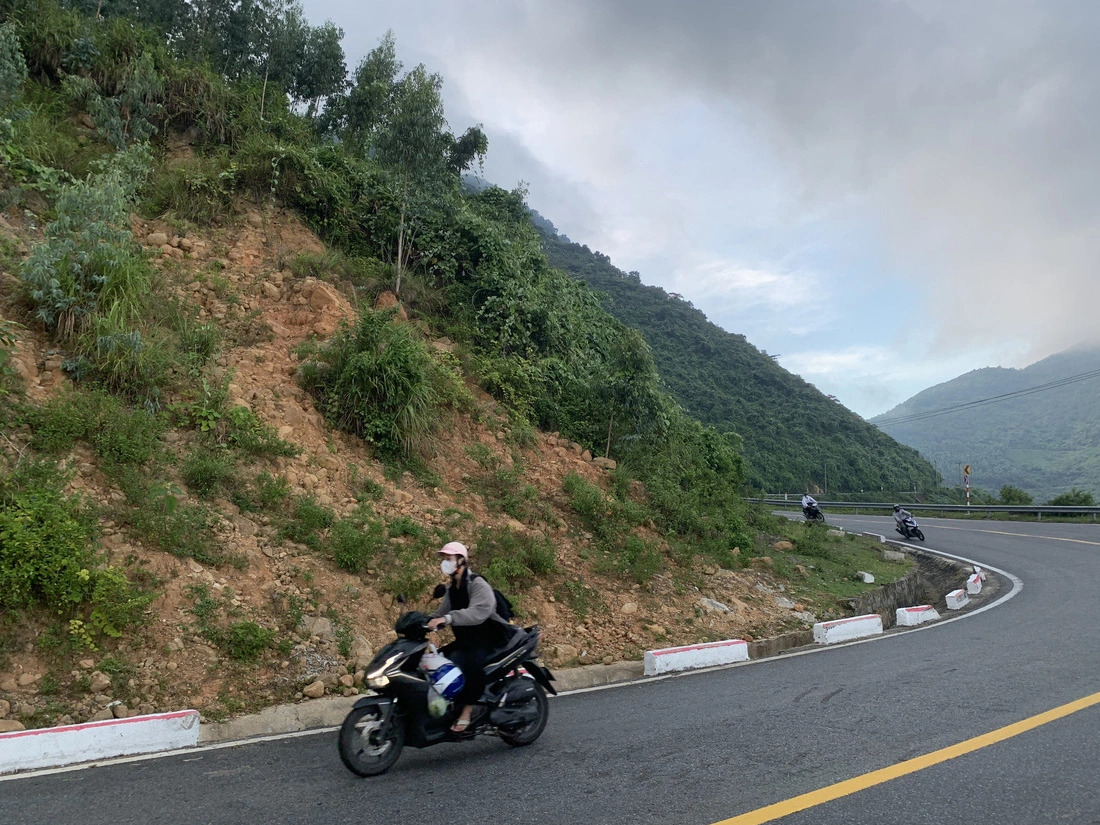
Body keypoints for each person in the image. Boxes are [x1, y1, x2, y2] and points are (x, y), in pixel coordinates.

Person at [426, 541, 515, 732]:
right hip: (466, 640)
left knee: (470, 665)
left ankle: (467, 712)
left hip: (487, 639)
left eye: (449, 559)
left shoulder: (477, 583)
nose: (445, 563)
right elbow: (440, 613)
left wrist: (448, 619)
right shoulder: (452, 589)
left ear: (461, 560)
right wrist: (423, 623)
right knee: (439, 660)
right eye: (444, 559)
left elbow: (478, 612)